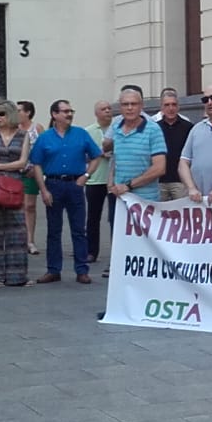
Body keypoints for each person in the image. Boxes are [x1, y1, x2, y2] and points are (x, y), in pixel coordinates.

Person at [29, 99, 103, 283]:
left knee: (78, 229)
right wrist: (43, 189)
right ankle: (53, 269)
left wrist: (86, 175)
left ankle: (81, 270)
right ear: (54, 114)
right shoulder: (45, 137)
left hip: (74, 185)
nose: (69, 114)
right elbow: (36, 164)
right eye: (65, 111)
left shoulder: (81, 134)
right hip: (53, 184)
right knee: (54, 230)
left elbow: (96, 156)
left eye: (71, 111)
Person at [0, 102, 32, 287]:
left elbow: (22, 163)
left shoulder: (23, 135)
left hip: (14, 186)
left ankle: (17, 275)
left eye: (2, 114)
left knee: (17, 231)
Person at [106, 90, 168, 242]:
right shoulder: (116, 129)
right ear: (120, 108)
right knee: (120, 241)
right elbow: (117, 158)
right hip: (120, 198)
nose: (129, 108)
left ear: (141, 106)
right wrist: (111, 181)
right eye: (125, 104)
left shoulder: (153, 130)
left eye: (133, 104)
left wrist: (129, 185)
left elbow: (160, 168)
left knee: (145, 244)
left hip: (144, 201)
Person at [85, 100, 116, 265]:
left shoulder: (118, 128)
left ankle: (116, 251)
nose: (108, 111)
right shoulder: (88, 131)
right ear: (96, 113)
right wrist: (100, 153)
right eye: (103, 109)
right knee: (92, 217)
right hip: (95, 179)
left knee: (114, 218)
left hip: (113, 180)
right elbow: (83, 154)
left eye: (109, 108)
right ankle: (91, 251)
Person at [16, 100, 44, 257]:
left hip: (32, 171)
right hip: (16, 171)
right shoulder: (14, 128)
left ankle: (30, 240)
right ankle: (18, 239)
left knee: (29, 206)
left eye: (20, 110)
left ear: (28, 112)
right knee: (16, 205)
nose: (17, 113)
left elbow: (44, 148)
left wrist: (37, 167)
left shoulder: (37, 128)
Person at [156, 89, 193, 201]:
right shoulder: (154, 128)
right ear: (161, 107)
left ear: (178, 107)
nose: (170, 108)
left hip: (181, 181)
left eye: (174, 104)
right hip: (159, 181)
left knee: (182, 214)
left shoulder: (189, 127)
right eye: (167, 105)